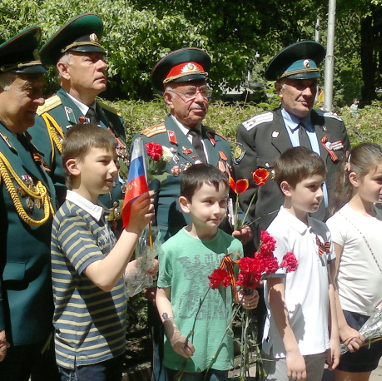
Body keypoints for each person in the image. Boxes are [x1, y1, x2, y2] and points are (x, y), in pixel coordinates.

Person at [134, 47, 250, 381]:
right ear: (169, 99)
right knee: (172, 359)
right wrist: (146, 264)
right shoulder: (152, 141)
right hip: (173, 264)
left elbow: (225, 203)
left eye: (203, 91)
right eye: (189, 92)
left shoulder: (220, 144)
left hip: (215, 260)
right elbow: (142, 210)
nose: (199, 98)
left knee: (213, 351)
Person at [50, 123, 154, 380]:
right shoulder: (72, 218)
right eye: (104, 161)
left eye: (115, 162)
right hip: (85, 355)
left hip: (107, 347)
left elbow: (111, 272)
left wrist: (140, 267)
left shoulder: (94, 214)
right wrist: (133, 229)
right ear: (74, 167)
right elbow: (103, 278)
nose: (114, 170)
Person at [234, 41, 351, 248]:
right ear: (280, 89)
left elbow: (344, 181)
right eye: (299, 85)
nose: (307, 93)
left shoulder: (333, 126)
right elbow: (247, 199)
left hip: (332, 237)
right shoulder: (255, 132)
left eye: (312, 85)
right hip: (279, 242)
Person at [155, 163, 259, 381]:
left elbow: (236, 290)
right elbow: (162, 294)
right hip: (184, 349)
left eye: (222, 202)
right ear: (185, 204)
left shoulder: (233, 247)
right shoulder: (171, 248)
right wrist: (172, 331)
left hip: (219, 347)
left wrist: (246, 297)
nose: (217, 210)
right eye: (208, 202)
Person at [0, 25, 59, 381]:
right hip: (12, 317)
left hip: (40, 312)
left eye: (41, 90)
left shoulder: (21, 143)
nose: (40, 99)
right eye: (30, 91)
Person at [31, 13, 127, 228]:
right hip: (76, 238)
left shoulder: (113, 119)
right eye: (91, 60)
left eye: (102, 58)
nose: (102, 65)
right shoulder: (44, 118)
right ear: (64, 70)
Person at [263, 147, 340, 381]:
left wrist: (333, 335)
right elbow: (275, 294)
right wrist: (291, 349)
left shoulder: (322, 229)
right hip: (286, 348)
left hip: (317, 342)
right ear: (286, 188)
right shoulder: (277, 233)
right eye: (311, 187)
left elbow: (330, 284)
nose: (319, 194)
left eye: (321, 186)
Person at [326, 143, 382, 381]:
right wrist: (341, 327)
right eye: (379, 180)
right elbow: (331, 282)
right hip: (350, 315)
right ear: (354, 179)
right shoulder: (339, 224)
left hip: (378, 315)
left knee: (363, 376)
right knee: (345, 377)